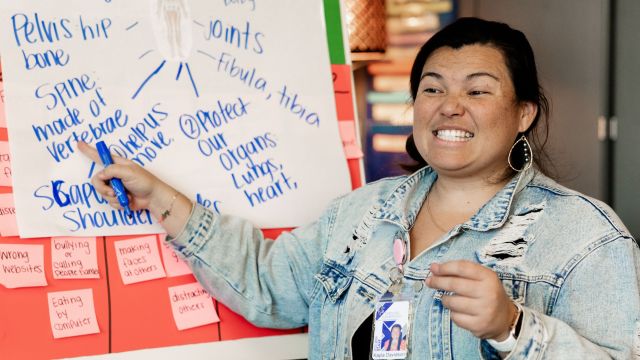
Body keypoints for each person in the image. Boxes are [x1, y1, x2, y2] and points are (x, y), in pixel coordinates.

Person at [78, 17, 639, 359]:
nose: (450, 106)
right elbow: (267, 285)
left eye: (478, 91)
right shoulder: (363, 212)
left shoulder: (584, 237)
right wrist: (157, 196)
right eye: (432, 88)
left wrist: (512, 327)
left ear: (523, 113)